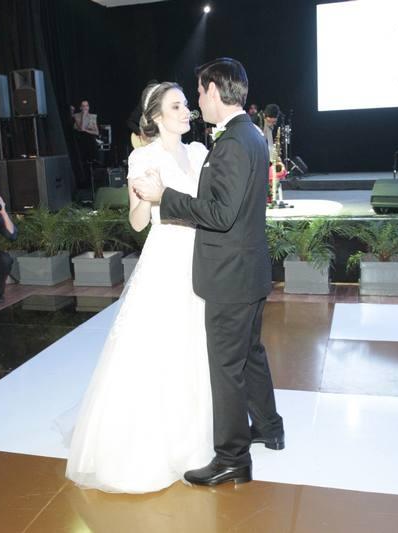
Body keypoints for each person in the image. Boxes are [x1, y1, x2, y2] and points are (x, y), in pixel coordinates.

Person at [133, 57, 285, 487]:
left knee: (227, 368)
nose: (196, 102)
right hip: (246, 269)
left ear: (214, 91)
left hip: (229, 275)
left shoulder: (233, 142)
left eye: (198, 93)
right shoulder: (249, 134)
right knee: (250, 354)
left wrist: (165, 197)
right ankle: (269, 428)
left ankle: (232, 458)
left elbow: (220, 214)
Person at [65, 82, 213, 493]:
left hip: (201, 256)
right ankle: (151, 448)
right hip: (166, 260)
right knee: (159, 349)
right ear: (156, 116)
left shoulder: (199, 153)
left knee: (197, 346)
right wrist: (146, 196)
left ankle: (195, 441)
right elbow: (137, 223)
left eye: (186, 104)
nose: (186, 111)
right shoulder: (142, 157)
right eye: (176, 106)